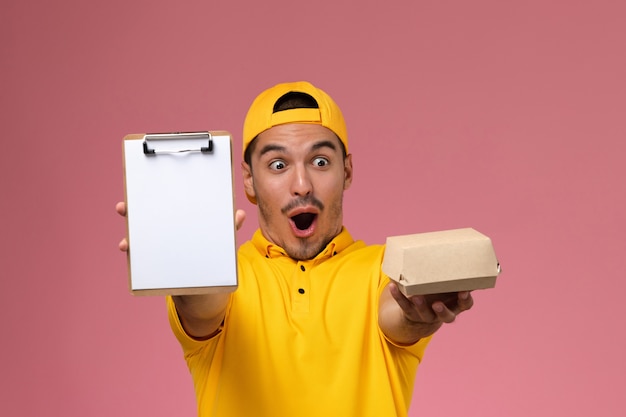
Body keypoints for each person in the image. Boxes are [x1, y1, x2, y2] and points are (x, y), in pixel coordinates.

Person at [116, 81, 474, 417]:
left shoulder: (385, 267)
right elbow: (202, 309)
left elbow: (395, 315)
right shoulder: (223, 273)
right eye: (278, 165)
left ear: (347, 171)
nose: (301, 184)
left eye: (320, 162)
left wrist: (414, 314)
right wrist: (187, 266)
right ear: (248, 181)